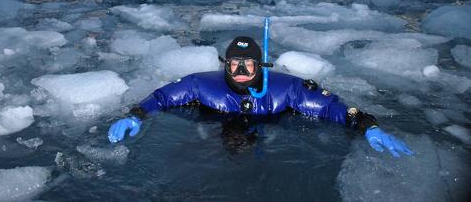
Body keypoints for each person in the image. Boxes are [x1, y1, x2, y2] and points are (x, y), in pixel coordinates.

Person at [108, 34, 413, 158]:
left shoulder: (287, 90)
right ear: (224, 64)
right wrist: (135, 115)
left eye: (248, 64)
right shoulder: (201, 85)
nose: (240, 69)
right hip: (217, 121)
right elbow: (162, 98)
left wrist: (368, 126)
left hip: (275, 124)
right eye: (234, 63)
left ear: (260, 66)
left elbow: (334, 109)